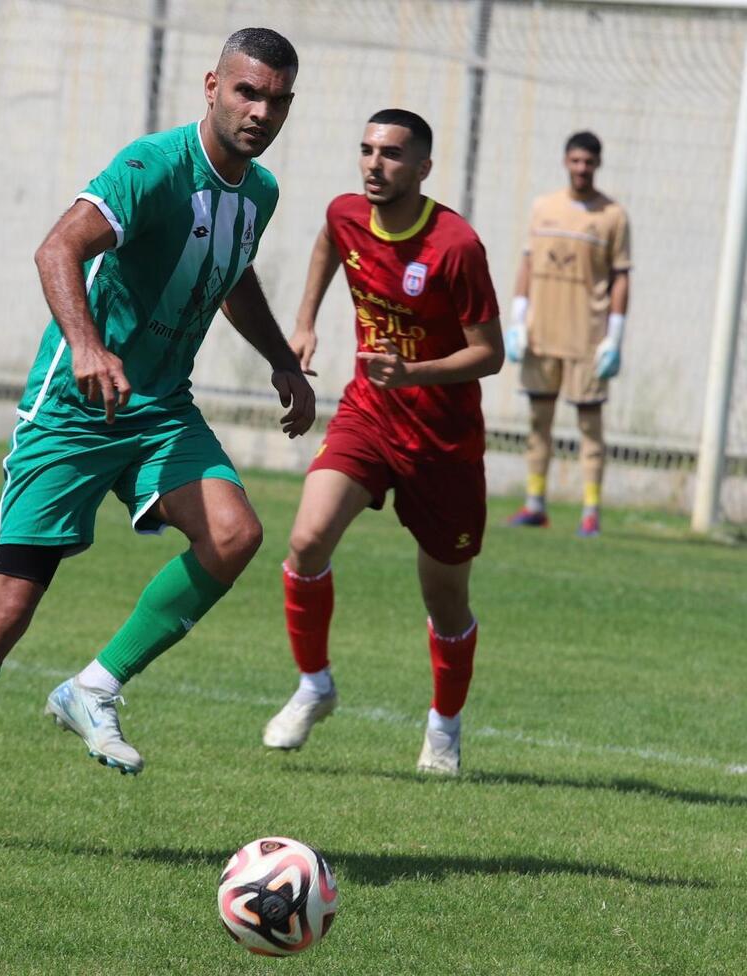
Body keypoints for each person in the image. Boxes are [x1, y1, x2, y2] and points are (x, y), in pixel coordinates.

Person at [0, 27, 314, 852]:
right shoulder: (151, 167)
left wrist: (283, 360)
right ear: (212, 86)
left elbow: (232, 275)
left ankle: (94, 686)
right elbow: (58, 246)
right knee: (7, 610)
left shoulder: (259, 192)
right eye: (246, 92)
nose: (260, 111)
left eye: (276, 99)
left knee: (235, 535)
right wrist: (86, 344)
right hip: (73, 410)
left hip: (161, 407)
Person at [261, 109, 503, 775]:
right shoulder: (347, 214)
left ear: (423, 168)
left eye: (392, 154)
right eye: (367, 150)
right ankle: (314, 685)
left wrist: (414, 373)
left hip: (443, 441)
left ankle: (444, 728)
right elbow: (327, 242)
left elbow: (490, 354)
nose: (374, 163)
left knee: (445, 600)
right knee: (307, 540)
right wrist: (304, 324)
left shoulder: (456, 246)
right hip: (368, 416)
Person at [505, 131, 632, 537]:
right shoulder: (543, 207)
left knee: (590, 427)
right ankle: (534, 504)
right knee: (538, 422)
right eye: (575, 161)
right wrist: (517, 319)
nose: (581, 168)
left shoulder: (613, 215)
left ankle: (590, 511)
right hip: (542, 334)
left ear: (598, 164)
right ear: (565, 162)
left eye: (588, 162)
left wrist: (615, 336)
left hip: (587, 338)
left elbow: (621, 277)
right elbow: (527, 263)